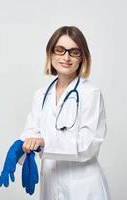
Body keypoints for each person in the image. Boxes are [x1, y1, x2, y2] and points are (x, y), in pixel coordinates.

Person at [20, 26, 110, 200]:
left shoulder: (90, 93)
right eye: (60, 50)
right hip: (51, 184)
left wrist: (44, 143)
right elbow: (31, 132)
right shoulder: (41, 94)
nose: (66, 57)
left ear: (82, 57)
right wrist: (20, 148)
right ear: (51, 54)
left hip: (84, 187)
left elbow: (88, 144)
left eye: (74, 52)